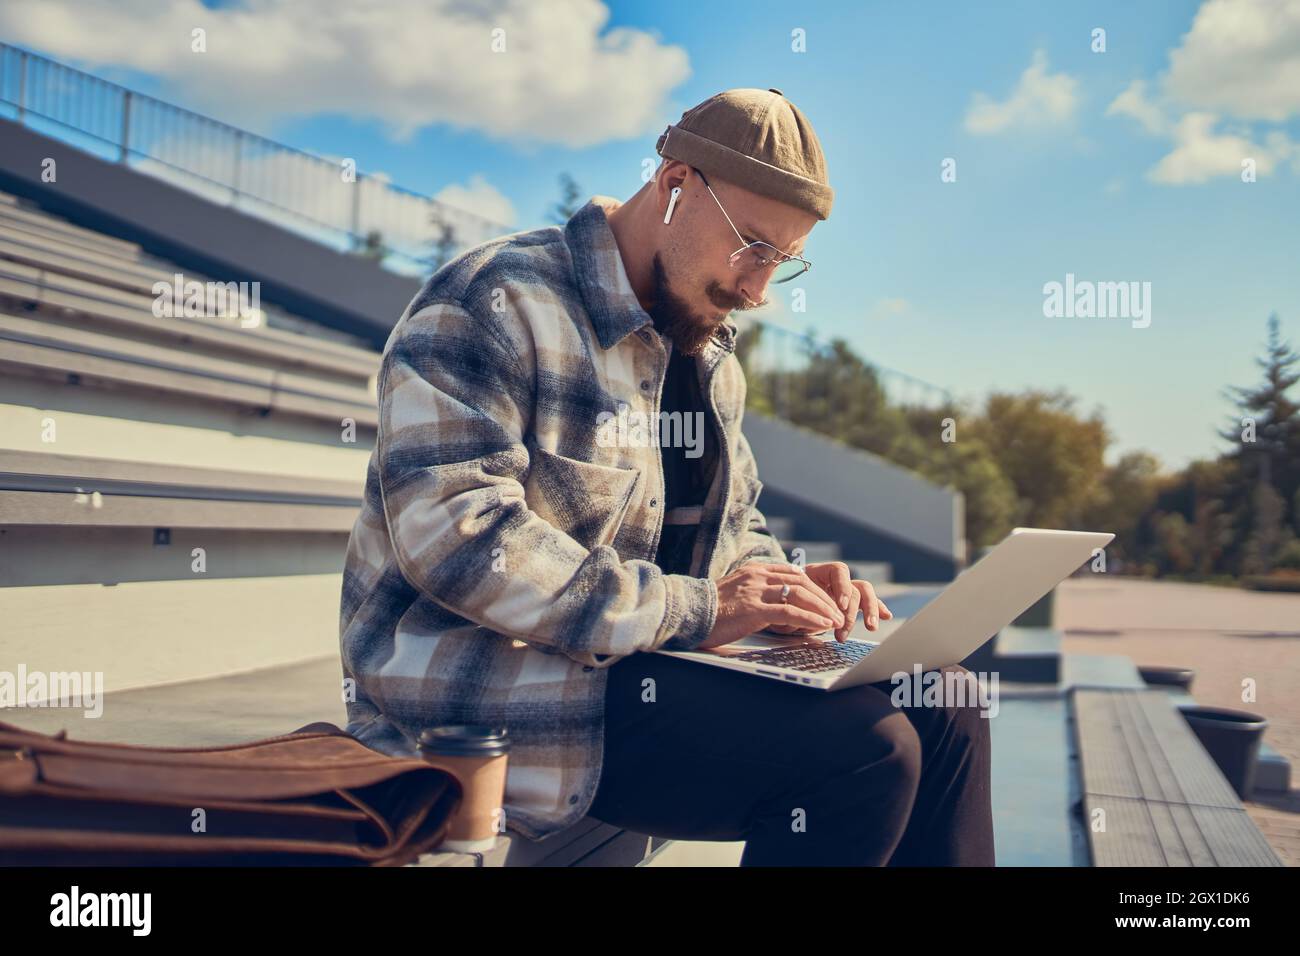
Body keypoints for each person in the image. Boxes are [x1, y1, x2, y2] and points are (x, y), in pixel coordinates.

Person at [339, 87, 993, 865]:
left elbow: (733, 530)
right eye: (751, 245)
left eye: (781, 262)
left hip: (639, 661)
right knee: (866, 748)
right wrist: (696, 608)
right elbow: (457, 538)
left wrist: (782, 588)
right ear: (675, 182)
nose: (756, 289)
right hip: (478, 683)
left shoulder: (710, 354)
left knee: (948, 698)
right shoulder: (495, 300)